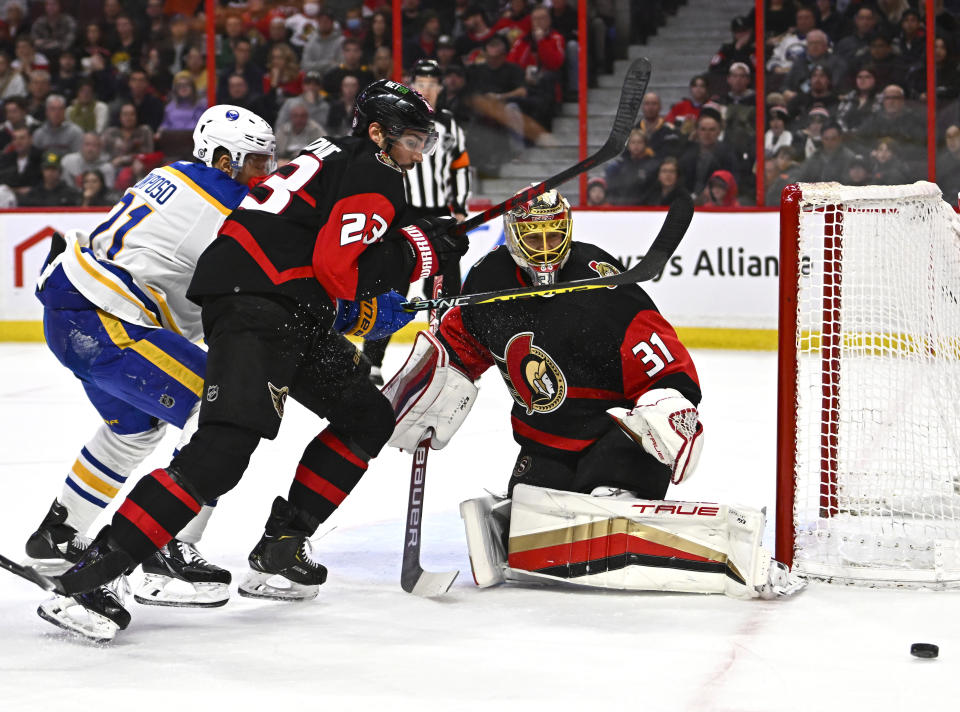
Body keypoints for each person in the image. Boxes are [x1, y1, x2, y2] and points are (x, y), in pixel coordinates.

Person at [48, 81, 470, 635]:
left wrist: (384, 275)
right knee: (220, 452)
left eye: (425, 143)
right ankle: (93, 578)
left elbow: (318, 261)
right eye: (413, 142)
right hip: (259, 310)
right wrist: (413, 253)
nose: (418, 155)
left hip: (282, 306)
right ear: (377, 134)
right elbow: (340, 268)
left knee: (367, 415)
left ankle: (283, 544)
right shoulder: (376, 170)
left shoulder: (329, 155)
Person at [382, 190, 803, 599]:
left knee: (602, 504)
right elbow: (463, 343)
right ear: (513, 239)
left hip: (614, 435)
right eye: (534, 238)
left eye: (553, 236)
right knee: (525, 524)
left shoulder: (597, 281)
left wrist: (673, 402)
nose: (545, 250)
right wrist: (434, 385)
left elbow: (656, 348)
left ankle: (629, 504)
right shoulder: (488, 281)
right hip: (545, 439)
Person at [27, 106, 277, 642]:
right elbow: (283, 249)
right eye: (255, 162)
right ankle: (158, 548)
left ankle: (60, 532)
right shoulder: (222, 195)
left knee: (135, 430)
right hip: (110, 320)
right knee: (225, 410)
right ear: (224, 158)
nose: (263, 174)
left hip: (76, 312)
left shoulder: (169, 176)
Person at [362, 59, 471, 386]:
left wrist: (460, 208)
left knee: (446, 289)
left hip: (438, 214)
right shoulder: (398, 118)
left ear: (439, 88)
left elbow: (460, 166)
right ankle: (372, 359)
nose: (426, 88)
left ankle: (449, 354)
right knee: (391, 283)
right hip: (403, 212)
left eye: (431, 83)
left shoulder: (451, 126)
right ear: (413, 85)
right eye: (420, 81)